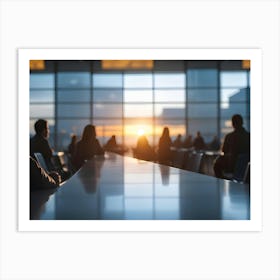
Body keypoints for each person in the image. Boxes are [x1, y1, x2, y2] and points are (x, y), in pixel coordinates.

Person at [214, 114, 250, 178]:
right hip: (247, 168)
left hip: (232, 166)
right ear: (242, 123)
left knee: (217, 163)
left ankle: (223, 181)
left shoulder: (229, 137)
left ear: (232, 124)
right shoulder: (249, 136)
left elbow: (224, 151)